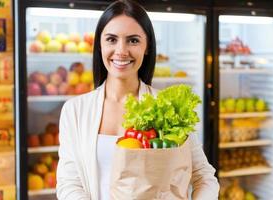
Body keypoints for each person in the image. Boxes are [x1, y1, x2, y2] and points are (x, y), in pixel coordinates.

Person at [56, 0, 219, 199]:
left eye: (133, 40)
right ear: (99, 44)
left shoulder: (167, 109)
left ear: (147, 46)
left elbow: (204, 175)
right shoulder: (75, 110)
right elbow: (68, 184)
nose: (121, 51)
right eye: (111, 39)